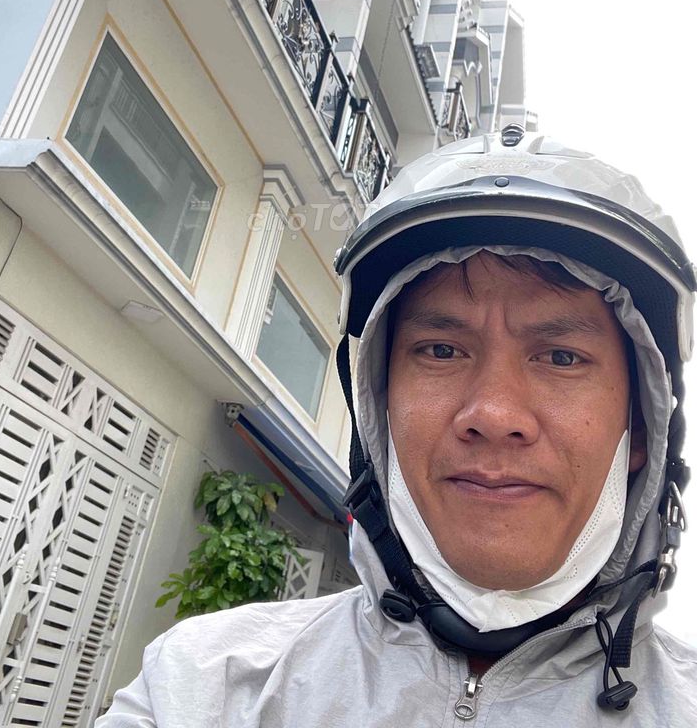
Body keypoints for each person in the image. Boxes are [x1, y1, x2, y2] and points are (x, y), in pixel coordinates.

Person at [97, 127, 697, 725]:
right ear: (376, 413)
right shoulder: (207, 685)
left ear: (643, 430)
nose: (493, 415)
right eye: (441, 350)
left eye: (561, 357)